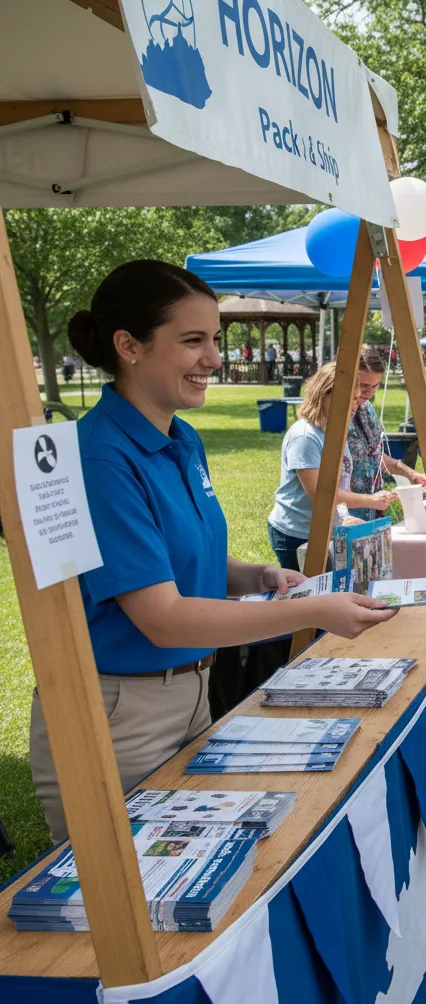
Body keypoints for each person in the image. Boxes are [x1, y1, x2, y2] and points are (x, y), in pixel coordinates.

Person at [32, 261, 394, 844]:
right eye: (193, 341)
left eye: (217, 340)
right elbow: (162, 617)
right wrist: (309, 611)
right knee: (127, 904)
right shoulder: (100, 457)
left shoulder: (182, 435)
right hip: (120, 711)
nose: (215, 359)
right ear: (128, 345)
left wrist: (255, 573)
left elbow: (171, 560)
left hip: (192, 691)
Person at [267, 360, 400, 571]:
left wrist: (344, 518)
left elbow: (339, 483)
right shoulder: (305, 436)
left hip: (325, 530)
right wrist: (369, 500)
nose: (355, 405)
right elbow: (321, 493)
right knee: (307, 596)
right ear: (324, 394)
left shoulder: (335, 432)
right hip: (297, 534)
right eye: (349, 399)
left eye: (356, 399)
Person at [343, 346, 426, 521]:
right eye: (364, 385)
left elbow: (375, 456)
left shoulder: (367, 410)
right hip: (345, 515)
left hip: (370, 511)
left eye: (375, 386)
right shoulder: (335, 415)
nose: (370, 392)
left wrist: (409, 473)